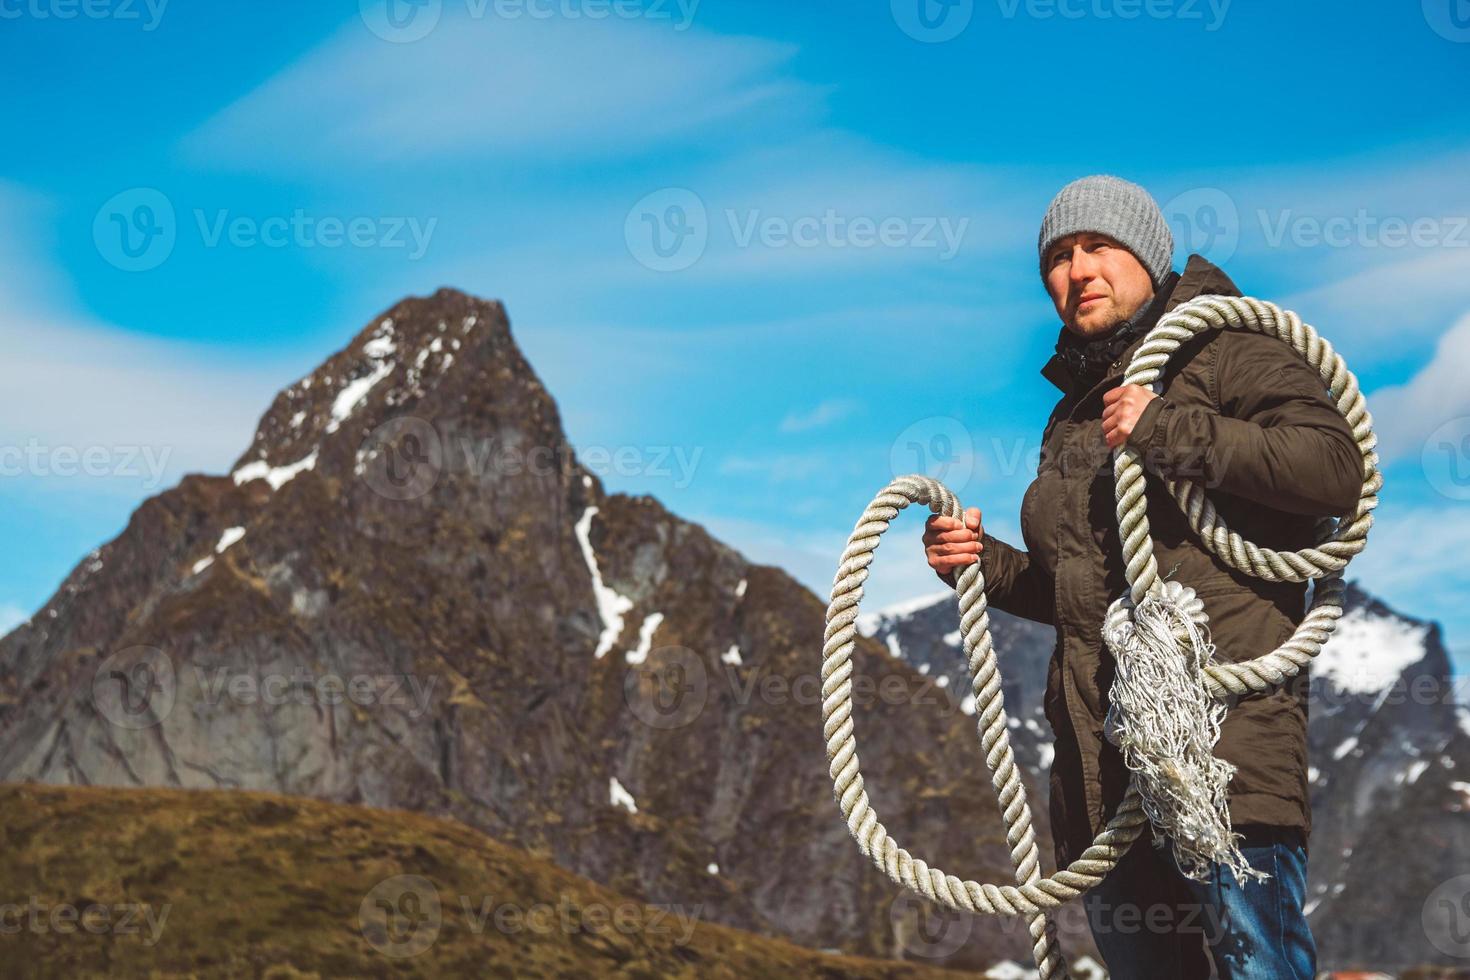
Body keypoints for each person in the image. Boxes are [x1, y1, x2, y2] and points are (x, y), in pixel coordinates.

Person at [922, 174, 1361, 978]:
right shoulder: (1072, 416)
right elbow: (1082, 596)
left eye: (1098, 247)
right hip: (1103, 772)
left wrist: (1166, 428)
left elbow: (1334, 468)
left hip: (1219, 756)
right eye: (1057, 257)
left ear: (1149, 257)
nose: (1077, 270)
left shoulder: (1231, 348)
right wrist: (984, 567)